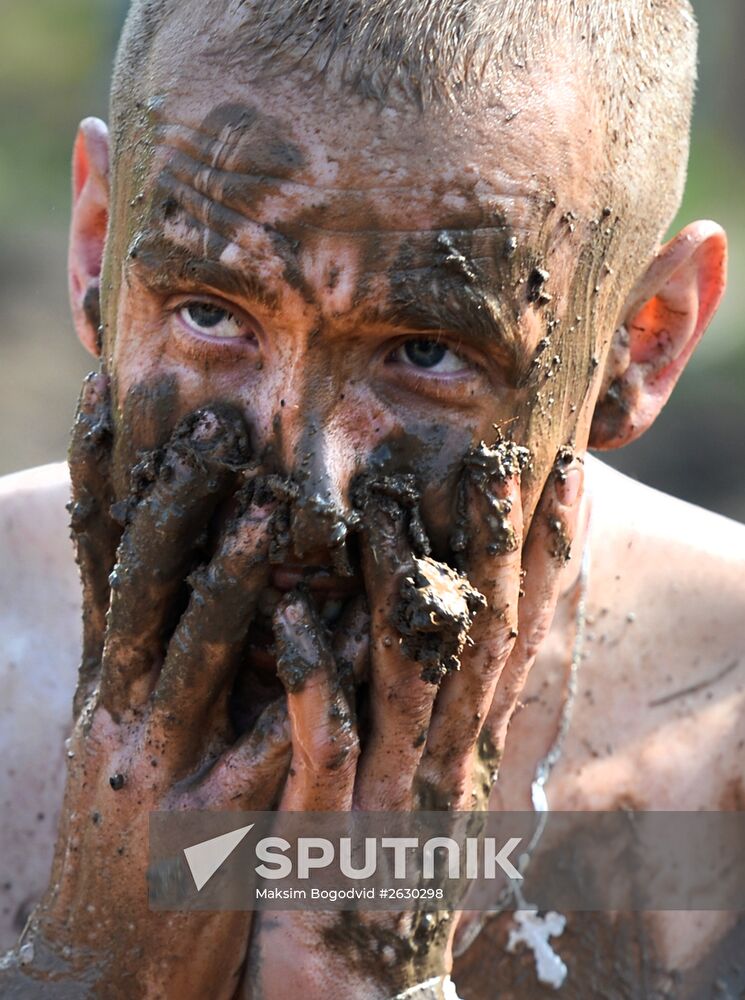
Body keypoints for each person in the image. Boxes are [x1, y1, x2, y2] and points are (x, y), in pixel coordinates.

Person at [0, 0, 743, 996]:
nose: (308, 492)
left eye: (425, 352)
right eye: (210, 314)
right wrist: (92, 965)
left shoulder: (718, 755)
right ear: (97, 249)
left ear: (642, 340)